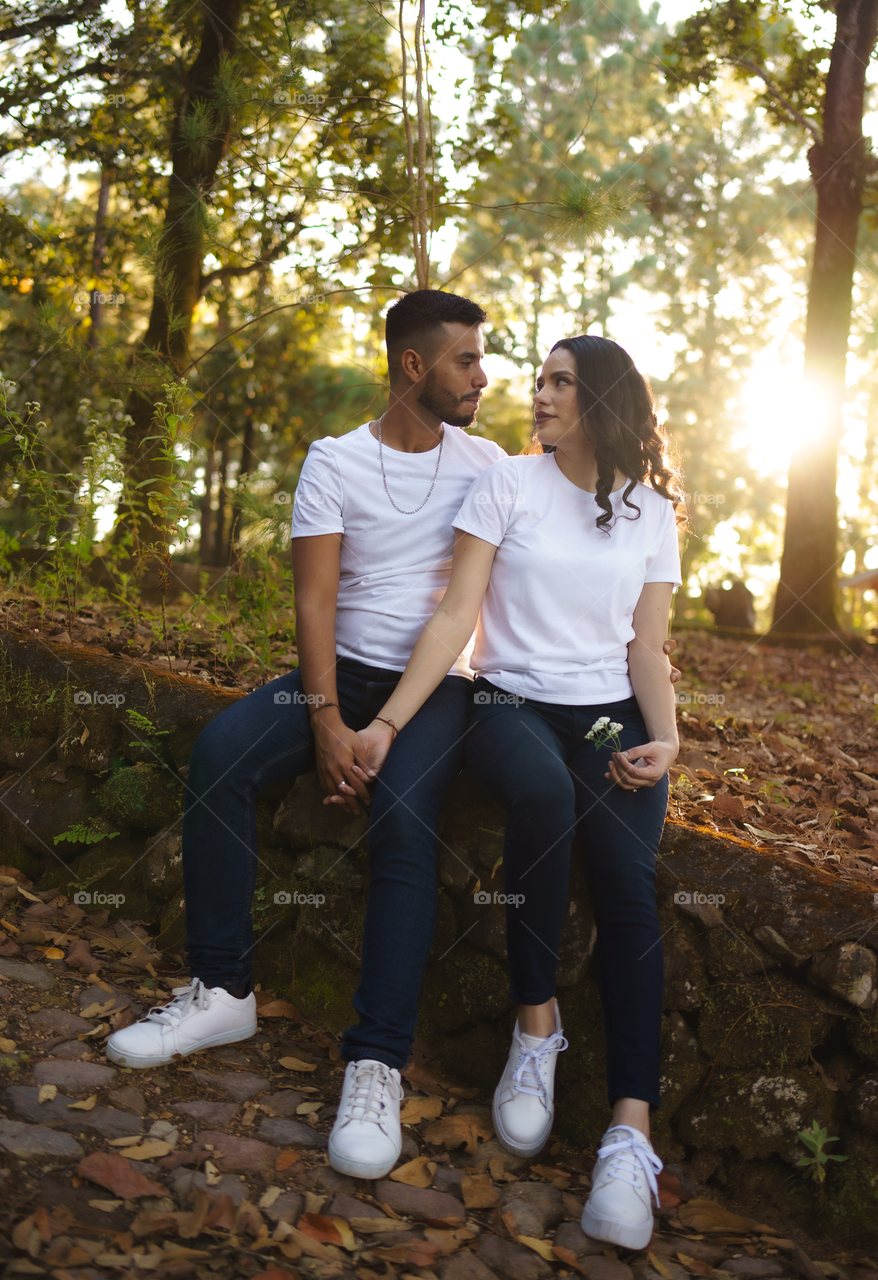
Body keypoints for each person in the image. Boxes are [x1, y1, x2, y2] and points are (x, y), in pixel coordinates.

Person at [105, 289, 503, 1179]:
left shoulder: (489, 466)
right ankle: (222, 991)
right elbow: (315, 600)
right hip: (340, 674)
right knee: (219, 755)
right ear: (413, 366)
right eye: (466, 359)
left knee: (404, 816)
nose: (483, 375)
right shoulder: (333, 461)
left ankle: (375, 1060)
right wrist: (324, 720)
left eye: (481, 359)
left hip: (434, 688)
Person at [345, 334, 681, 1249]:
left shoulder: (651, 511)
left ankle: (629, 1133)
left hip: (607, 713)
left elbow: (645, 648)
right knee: (539, 789)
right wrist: (385, 724)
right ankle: (537, 1026)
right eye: (538, 380)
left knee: (627, 884)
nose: (538, 396)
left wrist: (666, 738)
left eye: (559, 383)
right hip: (508, 701)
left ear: (603, 400)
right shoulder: (509, 484)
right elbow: (459, 611)